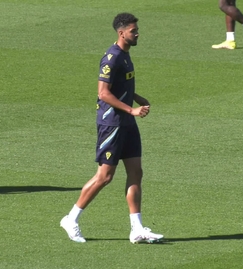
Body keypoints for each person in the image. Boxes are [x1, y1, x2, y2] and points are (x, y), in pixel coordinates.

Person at [60, 13, 163, 244]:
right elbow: (103, 93)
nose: (137, 34)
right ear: (121, 32)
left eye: (137, 30)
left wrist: (135, 97)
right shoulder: (112, 57)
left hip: (127, 122)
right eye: (133, 31)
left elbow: (120, 85)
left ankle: (136, 229)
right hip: (112, 123)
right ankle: (71, 218)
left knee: (136, 172)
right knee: (105, 176)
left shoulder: (126, 55)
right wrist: (131, 110)